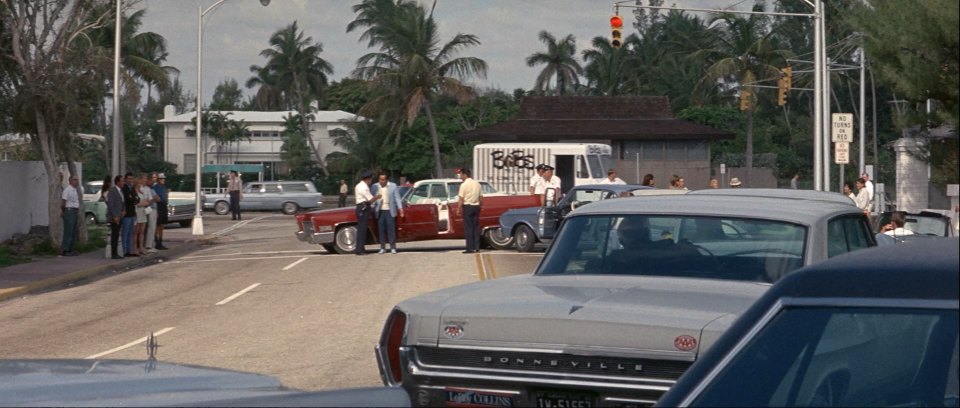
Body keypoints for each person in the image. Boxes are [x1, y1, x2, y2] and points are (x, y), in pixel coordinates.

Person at [371, 173, 404, 254]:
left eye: (383, 180)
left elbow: (397, 198)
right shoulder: (375, 186)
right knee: (381, 230)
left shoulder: (393, 186)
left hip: (390, 210)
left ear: (386, 180)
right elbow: (372, 198)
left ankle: (393, 247)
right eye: (380, 179)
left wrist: (400, 208)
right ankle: (382, 247)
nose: (381, 181)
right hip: (380, 211)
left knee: (391, 230)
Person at [353, 171, 380, 256]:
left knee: (361, 229)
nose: (371, 181)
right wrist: (377, 197)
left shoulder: (358, 185)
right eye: (370, 179)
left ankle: (360, 248)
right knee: (362, 229)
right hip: (363, 208)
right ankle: (360, 250)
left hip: (360, 207)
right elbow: (370, 199)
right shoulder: (364, 187)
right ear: (368, 179)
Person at [456, 168, 482, 254]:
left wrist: (458, 208)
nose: (460, 177)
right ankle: (477, 247)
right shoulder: (477, 184)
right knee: (476, 227)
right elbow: (481, 197)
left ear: (464, 175)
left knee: (468, 228)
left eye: (461, 175)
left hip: (467, 207)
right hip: (476, 206)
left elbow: (461, 198)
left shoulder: (463, 185)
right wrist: (480, 206)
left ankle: (470, 248)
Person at [60, 175, 81, 256]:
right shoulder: (67, 190)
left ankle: (71, 248)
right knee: (68, 230)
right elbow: (63, 202)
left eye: (77, 180)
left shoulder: (75, 190)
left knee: (73, 231)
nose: (76, 181)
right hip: (69, 210)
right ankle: (65, 249)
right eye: (74, 179)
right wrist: (63, 211)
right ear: (70, 181)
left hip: (74, 210)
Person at [107, 175, 125, 259]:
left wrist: (123, 210)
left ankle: (116, 252)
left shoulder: (121, 191)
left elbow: (122, 202)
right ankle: (113, 253)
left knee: (117, 234)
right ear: (117, 182)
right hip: (114, 216)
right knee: (114, 234)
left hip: (120, 215)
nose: (123, 182)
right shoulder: (112, 191)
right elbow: (110, 205)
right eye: (122, 181)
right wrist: (114, 216)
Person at [121, 173, 138, 257]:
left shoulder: (132, 188)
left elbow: (137, 198)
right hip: (126, 213)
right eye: (129, 179)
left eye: (131, 179)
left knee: (131, 232)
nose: (130, 180)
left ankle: (129, 250)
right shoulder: (124, 188)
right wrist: (133, 199)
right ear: (125, 179)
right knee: (125, 232)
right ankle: (124, 251)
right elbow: (128, 199)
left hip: (132, 213)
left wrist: (134, 199)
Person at [141, 173, 159, 252]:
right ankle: (148, 245)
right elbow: (147, 200)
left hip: (151, 208)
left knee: (152, 227)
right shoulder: (141, 188)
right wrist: (152, 200)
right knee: (149, 227)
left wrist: (153, 199)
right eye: (145, 179)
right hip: (147, 208)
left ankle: (149, 244)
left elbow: (157, 199)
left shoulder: (149, 189)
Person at [133, 175, 150, 256]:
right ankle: (135, 247)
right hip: (137, 212)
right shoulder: (134, 193)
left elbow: (146, 201)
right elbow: (135, 203)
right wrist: (141, 204)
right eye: (139, 183)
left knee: (142, 231)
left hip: (143, 212)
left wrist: (145, 203)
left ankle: (141, 247)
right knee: (136, 232)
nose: (140, 185)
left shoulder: (141, 192)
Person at [153, 173, 169, 250]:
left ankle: (160, 241)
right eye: (161, 179)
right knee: (157, 225)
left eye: (163, 179)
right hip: (158, 206)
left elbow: (166, 197)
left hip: (164, 206)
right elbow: (158, 198)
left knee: (162, 225)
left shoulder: (164, 187)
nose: (163, 180)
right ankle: (157, 242)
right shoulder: (155, 188)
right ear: (158, 180)